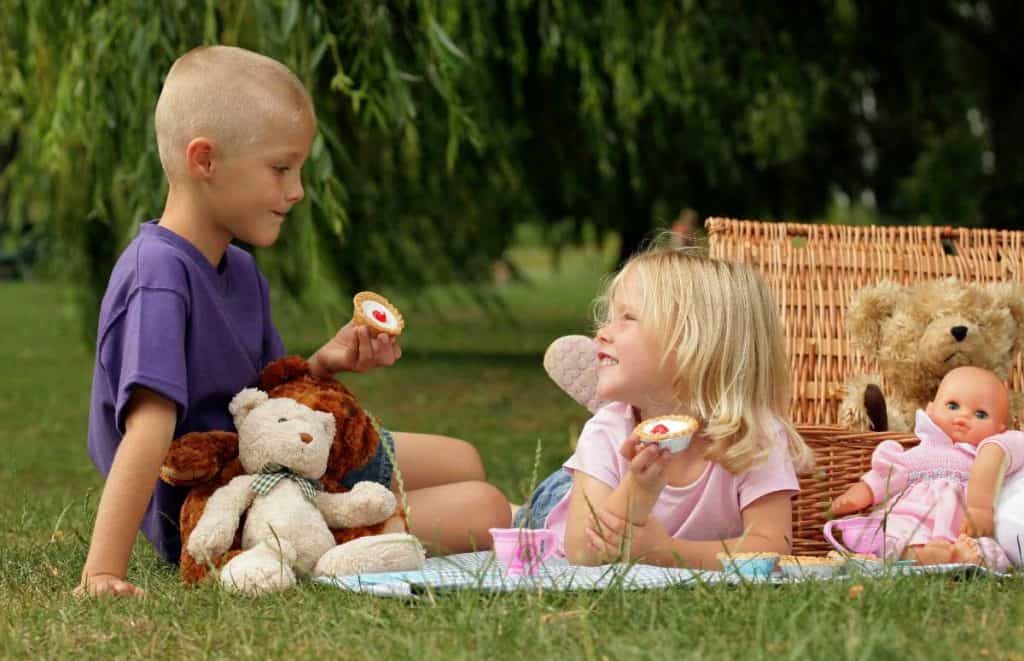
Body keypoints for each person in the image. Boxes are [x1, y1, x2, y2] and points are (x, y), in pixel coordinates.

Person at [76, 46, 510, 598]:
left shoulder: (239, 270)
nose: (298, 189)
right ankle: (354, 540)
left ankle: (523, 518)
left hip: (281, 460)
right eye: (281, 168)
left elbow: (264, 399)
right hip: (227, 507)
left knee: (462, 459)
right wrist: (103, 572)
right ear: (204, 160)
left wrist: (325, 363)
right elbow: (147, 431)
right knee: (485, 507)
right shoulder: (159, 274)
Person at [516, 246, 814, 568]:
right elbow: (583, 553)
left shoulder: (755, 436)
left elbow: (772, 546)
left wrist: (666, 552)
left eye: (628, 318)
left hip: (614, 493)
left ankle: (644, 388)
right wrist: (638, 488)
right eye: (610, 319)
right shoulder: (607, 430)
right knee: (506, 514)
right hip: (560, 508)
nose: (601, 333)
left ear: (696, 344)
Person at [830, 365, 1022, 569]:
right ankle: (926, 555)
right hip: (914, 518)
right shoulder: (922, 453)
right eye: (953, 405)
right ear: (931, 409)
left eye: (981, 414)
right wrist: (858, 495)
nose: (963, 417)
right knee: (890, 533)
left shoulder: (987, 457)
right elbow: (885, 478)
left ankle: (958, 556)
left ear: (1001, 428)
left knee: (989, 548)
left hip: (961, 529)